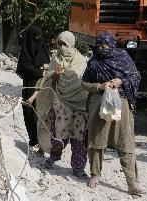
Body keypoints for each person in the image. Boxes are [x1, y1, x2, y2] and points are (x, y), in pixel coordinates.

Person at [81, 32, 145, 195]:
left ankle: (132, 182)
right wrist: (99, 87)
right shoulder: (94, 61)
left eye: (106, 46)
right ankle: (95, 174)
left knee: (125, 141)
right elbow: (84, 83)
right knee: (96, 140)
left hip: (121, 104)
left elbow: (135, 76)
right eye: (99, 46)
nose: (102, 49)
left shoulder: (123, 57)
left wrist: (121, 81)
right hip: (99, 104)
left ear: (113, 46)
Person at [30, 31, 89, 178]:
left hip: (80, 104)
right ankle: (54, 157)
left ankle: (78, 167)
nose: (62, 47)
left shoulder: (81, 61)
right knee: (58, 132)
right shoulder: (55, 58)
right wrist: (56, 75)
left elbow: (84, 82)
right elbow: (48, 80)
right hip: (61, 101)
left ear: (72, 44)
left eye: (65, 44)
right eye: (60, 43)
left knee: (79, 136)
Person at [16, 25, 50, 147]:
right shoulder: (26, 52)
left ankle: (42, 141)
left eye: (40, 37)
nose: (38, 39)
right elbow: (24, 67)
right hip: (30, 85)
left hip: (43, 86)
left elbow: (48, 65)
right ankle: (33, 139)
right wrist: (39, 72)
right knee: (29, 113)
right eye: (36, 37)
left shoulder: (43, 48)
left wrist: (44, 72)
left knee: (42, 114)